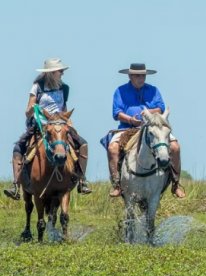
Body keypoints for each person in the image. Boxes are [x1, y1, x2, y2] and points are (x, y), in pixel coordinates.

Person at [3, 58, 92, 200]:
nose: (62, 73)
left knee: (83, 144)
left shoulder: (65, 88)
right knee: (18, 148)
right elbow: (27, 112)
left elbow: (64, 109)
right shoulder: (37, 87)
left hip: (61, 124)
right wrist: (33, 109)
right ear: (51, 73)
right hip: (41, 125)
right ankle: (16, 185)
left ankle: (82, 180)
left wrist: (70, 124)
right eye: (60, 71)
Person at [104, 63, 185, 198]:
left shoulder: (153, 90)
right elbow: (117, 112)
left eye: (143, 75)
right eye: (137, 76)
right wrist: (131, 120)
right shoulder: (120, 91)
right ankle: (117, 184)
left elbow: (160, 108)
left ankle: (176, 184)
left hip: (153, 127)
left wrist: (147, 113)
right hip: (127, 128)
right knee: (112, 148)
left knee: (175, 147)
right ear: (130, 76)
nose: (141, 78)